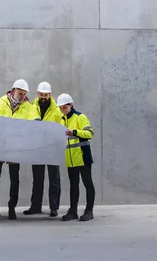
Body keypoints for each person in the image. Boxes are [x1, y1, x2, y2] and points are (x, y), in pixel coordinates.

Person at [0, 79, 41, 220]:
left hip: (15, 148)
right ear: (13, 90)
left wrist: (36, 124)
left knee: (14, 178)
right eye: (20, 93)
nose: (22, 96)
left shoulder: (28, 107)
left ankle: (11, 208)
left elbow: (35, 118)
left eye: (24, 94)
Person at [23, 81, 63, 217]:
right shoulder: (32, 107)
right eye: (41, 94)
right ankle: (35, 206)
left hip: (52, 148)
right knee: (37, 178)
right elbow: (28, 121)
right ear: (38, 94)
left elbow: (61, 124)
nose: (43, 97)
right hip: (37, 148)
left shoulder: (57, 110)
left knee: (54, 178)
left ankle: (54, 207)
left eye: (46, 95)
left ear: (50, 95)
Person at [57, 93, 95, 222]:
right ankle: (73, 211)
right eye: (60, 108)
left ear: (71, 105)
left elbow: (90, 133)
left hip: (83, 157)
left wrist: (75, 132)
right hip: (71, 159)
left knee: (87, 184)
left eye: (64, 107)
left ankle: (89, 211)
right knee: (74, 186)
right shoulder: (62, 120)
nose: (62, 110)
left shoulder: (80, 117)